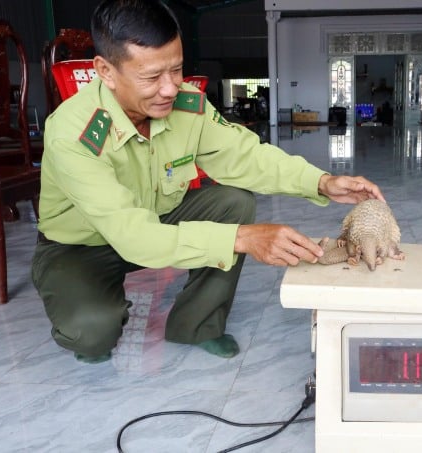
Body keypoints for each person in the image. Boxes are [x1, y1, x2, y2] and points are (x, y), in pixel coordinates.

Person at [31, 0, 384, 364]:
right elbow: (132, 236)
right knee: (92, 332)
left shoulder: (185, 105)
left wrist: (321, 182)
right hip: (81, 245)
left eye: (177, 70)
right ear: (105, 71)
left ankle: (195, 325)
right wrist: (244, 238)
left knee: (234, 202)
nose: (169, 89)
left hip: (157, 219)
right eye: (152, 77)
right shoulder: (73, 133)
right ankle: (91, 312)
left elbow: (246, 156)